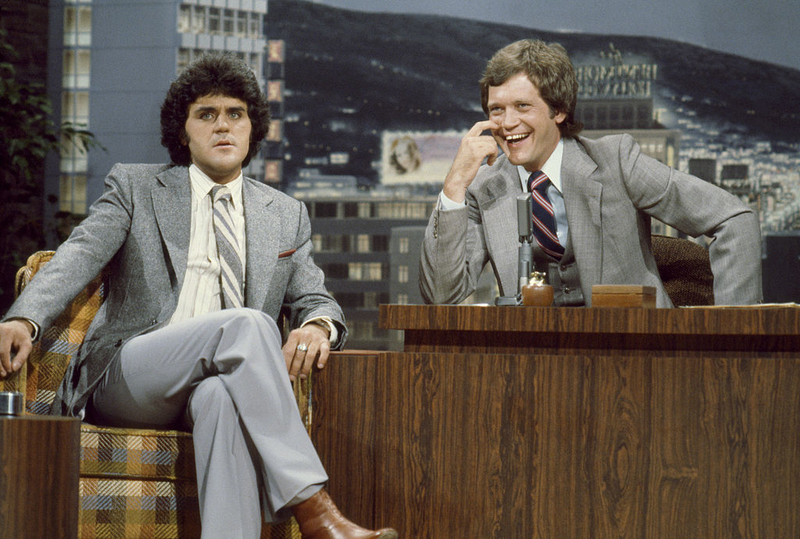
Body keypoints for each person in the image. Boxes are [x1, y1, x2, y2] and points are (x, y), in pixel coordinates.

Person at [0, 53, 397, 539]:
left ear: (253, 129)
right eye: (206, 115)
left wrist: (318, 325)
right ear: (183, 131)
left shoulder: (285, 213)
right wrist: (25, 319)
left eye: (236, 114)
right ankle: (315, 511)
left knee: (220, 400)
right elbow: (76, 255)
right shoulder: (137, 186)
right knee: (250, 324)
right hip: (131, 375)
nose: (223, 126)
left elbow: (315, 297)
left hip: (214, 381)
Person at [420, 39, 762, 307]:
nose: (508, 123)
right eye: (497, 110)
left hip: (638, 354)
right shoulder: (485, 189)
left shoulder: (615, 162)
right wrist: (453, 189)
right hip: (535, 363)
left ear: (559, 110)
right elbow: (441, 296)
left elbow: (734, 219)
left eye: (522, 106)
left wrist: (732, 330)